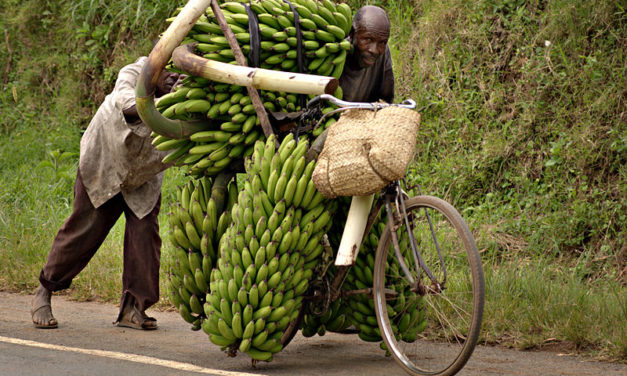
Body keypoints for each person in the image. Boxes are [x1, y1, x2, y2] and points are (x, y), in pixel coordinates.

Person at [30, 55, 180, 330]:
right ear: (157, 64)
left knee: (145, 236)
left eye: (181, 72)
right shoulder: (135, 72)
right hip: (106, 160)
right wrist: (173, 101)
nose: (173, 76)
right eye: (169, 69)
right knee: (85, 229)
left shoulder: (189, 97)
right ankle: (45, 290)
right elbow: (129, 105)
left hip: (145, 170)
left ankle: (133, 310)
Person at [339, 5, 395, 104]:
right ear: (352, 33)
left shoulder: (383, 53)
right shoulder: (336, 54)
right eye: (368, 39)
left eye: (382, 42)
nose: (374, 50)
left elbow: (386, 100)